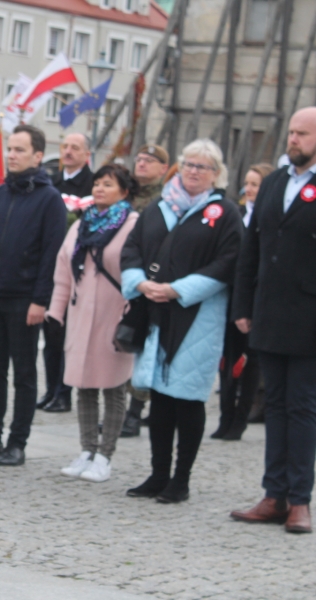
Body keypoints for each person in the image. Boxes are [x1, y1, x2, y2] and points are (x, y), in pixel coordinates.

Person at [121, 139, 242, 504]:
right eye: (188, 164)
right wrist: (140, 282)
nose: (193, 171)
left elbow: (228, 261)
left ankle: (181, 479)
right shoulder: (160, 206)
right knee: (159, 398)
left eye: (202, 167)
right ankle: (158, 474)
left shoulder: (225, 212)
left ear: (216, 174)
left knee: (187, 399)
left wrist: (179, 289)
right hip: (156, 312)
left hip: (198, 316)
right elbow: (133, 248)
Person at [0, 125, 66, 466]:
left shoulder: (50, 199)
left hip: (24, 299)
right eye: (10, 149)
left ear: (38, 155)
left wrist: (40, 300)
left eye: (20, 150)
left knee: (23, 374)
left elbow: (51, 254)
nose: (11, 155)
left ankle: (17, 443)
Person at [230, 107, 316, 534]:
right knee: (275, 405)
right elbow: (252, 248)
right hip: (269, 311)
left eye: (302, 134)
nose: (292, 139)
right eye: (291, 133)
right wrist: (243, 305)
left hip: (308, 316)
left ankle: (300, 500)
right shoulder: (276, 182)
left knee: (302, 408)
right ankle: (274, 494)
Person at [48, 165, 139, 482]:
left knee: (113, 386)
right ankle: (86, 449)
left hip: (114, 315)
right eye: (97, 183)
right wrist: (56, 310)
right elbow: (63, 269)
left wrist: (131, 314)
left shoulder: (132, 225)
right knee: (83, 383)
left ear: (124, 192)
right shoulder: (82, 223)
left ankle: (105, 455)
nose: (99, 188)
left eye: (108, 184)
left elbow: (135, 272)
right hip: (81, 314)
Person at [211, 163, 273, 441]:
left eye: (255, 184)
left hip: (257, 298)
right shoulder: (236, 215)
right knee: (227, 357)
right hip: (232, 295)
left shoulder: (269, 218)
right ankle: (225, 415)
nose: (249, 189)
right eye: (247, 183)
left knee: (251, 361)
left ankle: (240, 418)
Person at [121, 144, 171, 437]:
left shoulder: (165, 200)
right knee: (123, 342)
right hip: (123, 275)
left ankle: (135, 412)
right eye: (139, 159)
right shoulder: (125, 194)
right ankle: (121, 408)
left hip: (149, 278)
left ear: (163, 168)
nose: (141, 164)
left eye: (149, 160)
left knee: (142, 345)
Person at [41, 133, 94, 414]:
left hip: (79, 271)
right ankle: (51, 389)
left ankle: (65, 392)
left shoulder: (92, 185)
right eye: (65, 146)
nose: (68, 151)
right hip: (51, 268)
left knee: (67, 336)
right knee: (50, 333)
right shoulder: (52, 183)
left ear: (87, 154)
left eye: (75, 147)